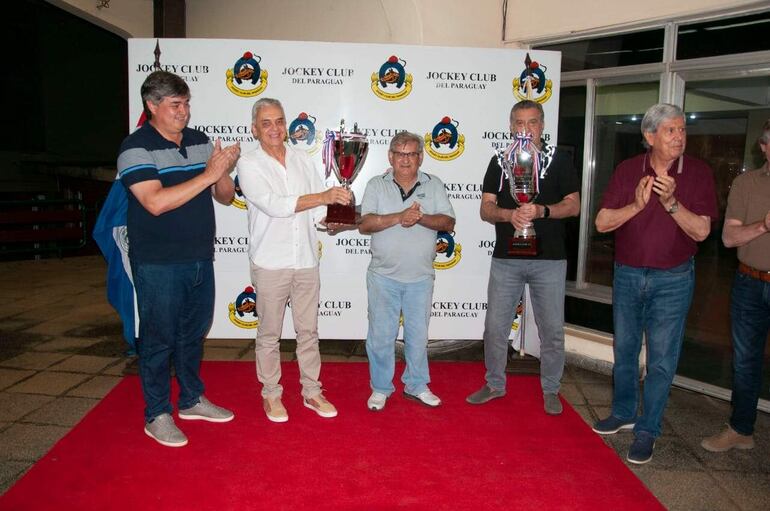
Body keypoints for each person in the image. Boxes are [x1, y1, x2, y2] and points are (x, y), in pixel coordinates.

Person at [118, 70, 239, 447]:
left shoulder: (201, 140)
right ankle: (156, 413)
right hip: (158, 262)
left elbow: (224, 196)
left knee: (192, 334)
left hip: (200, 256)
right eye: (175, 105)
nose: (183, 112)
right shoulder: (135, 148)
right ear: (152, 106)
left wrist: (223, 171)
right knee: (158, 339)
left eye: (186, 103)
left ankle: (190, 399)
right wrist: (208, 174)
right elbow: (154, 202)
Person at [592, 103, 718, 464]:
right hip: (628, 274)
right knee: (626, 351)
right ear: (650, 136)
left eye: (682, 130)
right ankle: (624, 411)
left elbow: (703, 231)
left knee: (662, 360)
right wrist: (635, 205)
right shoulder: (628, 170)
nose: (679, 137)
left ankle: (648, 429)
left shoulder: (697, 172)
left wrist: (671, 203)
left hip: (674, 278)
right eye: (670, 131)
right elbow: (602, 222)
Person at [236, 98, 351, 423]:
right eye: (267, 123)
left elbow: (315, 212)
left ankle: (312, 391)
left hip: (305, 260)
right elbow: (275, 205)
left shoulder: (303, 159)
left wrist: (331, 219)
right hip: (270, 261)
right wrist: (324, 198)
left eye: (279, 121)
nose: (275, 128)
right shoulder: (248, 163)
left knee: (308, 332)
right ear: (254, 129)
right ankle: (271, 396)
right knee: (269, 334)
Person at [466, 100, 580, 415]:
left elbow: (574, 205)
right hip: (507, 258)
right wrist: (509, 215)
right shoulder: (499, 161)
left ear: (542, 125)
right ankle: (494, 384)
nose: (525, 129)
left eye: (531, 122)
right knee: (495, 327)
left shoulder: (559, 161)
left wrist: (543, 210)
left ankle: (551, 389)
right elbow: (485, 208)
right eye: (519, 122)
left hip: (550, 259)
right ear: (511, 125)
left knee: (552, 329)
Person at [358, 132, 456, 411]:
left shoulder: (433, 184)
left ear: (420, 158)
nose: (405, 159)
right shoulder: (376, 185)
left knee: (418, 336)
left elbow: (448, 221)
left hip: (420, 278)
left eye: (411, 154)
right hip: (383, 276)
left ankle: (416, 384)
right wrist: (399, 217)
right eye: (399, 154)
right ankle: (380, 388)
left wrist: (421, 218)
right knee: (380, 336)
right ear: (390, 157)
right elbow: (365, 224)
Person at [701, 119, 770, 453]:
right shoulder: (746, 183)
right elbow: (730, 238)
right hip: (749, 283)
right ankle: (741, 429)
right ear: (764, 146)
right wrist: (765, 225)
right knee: (745, 362)